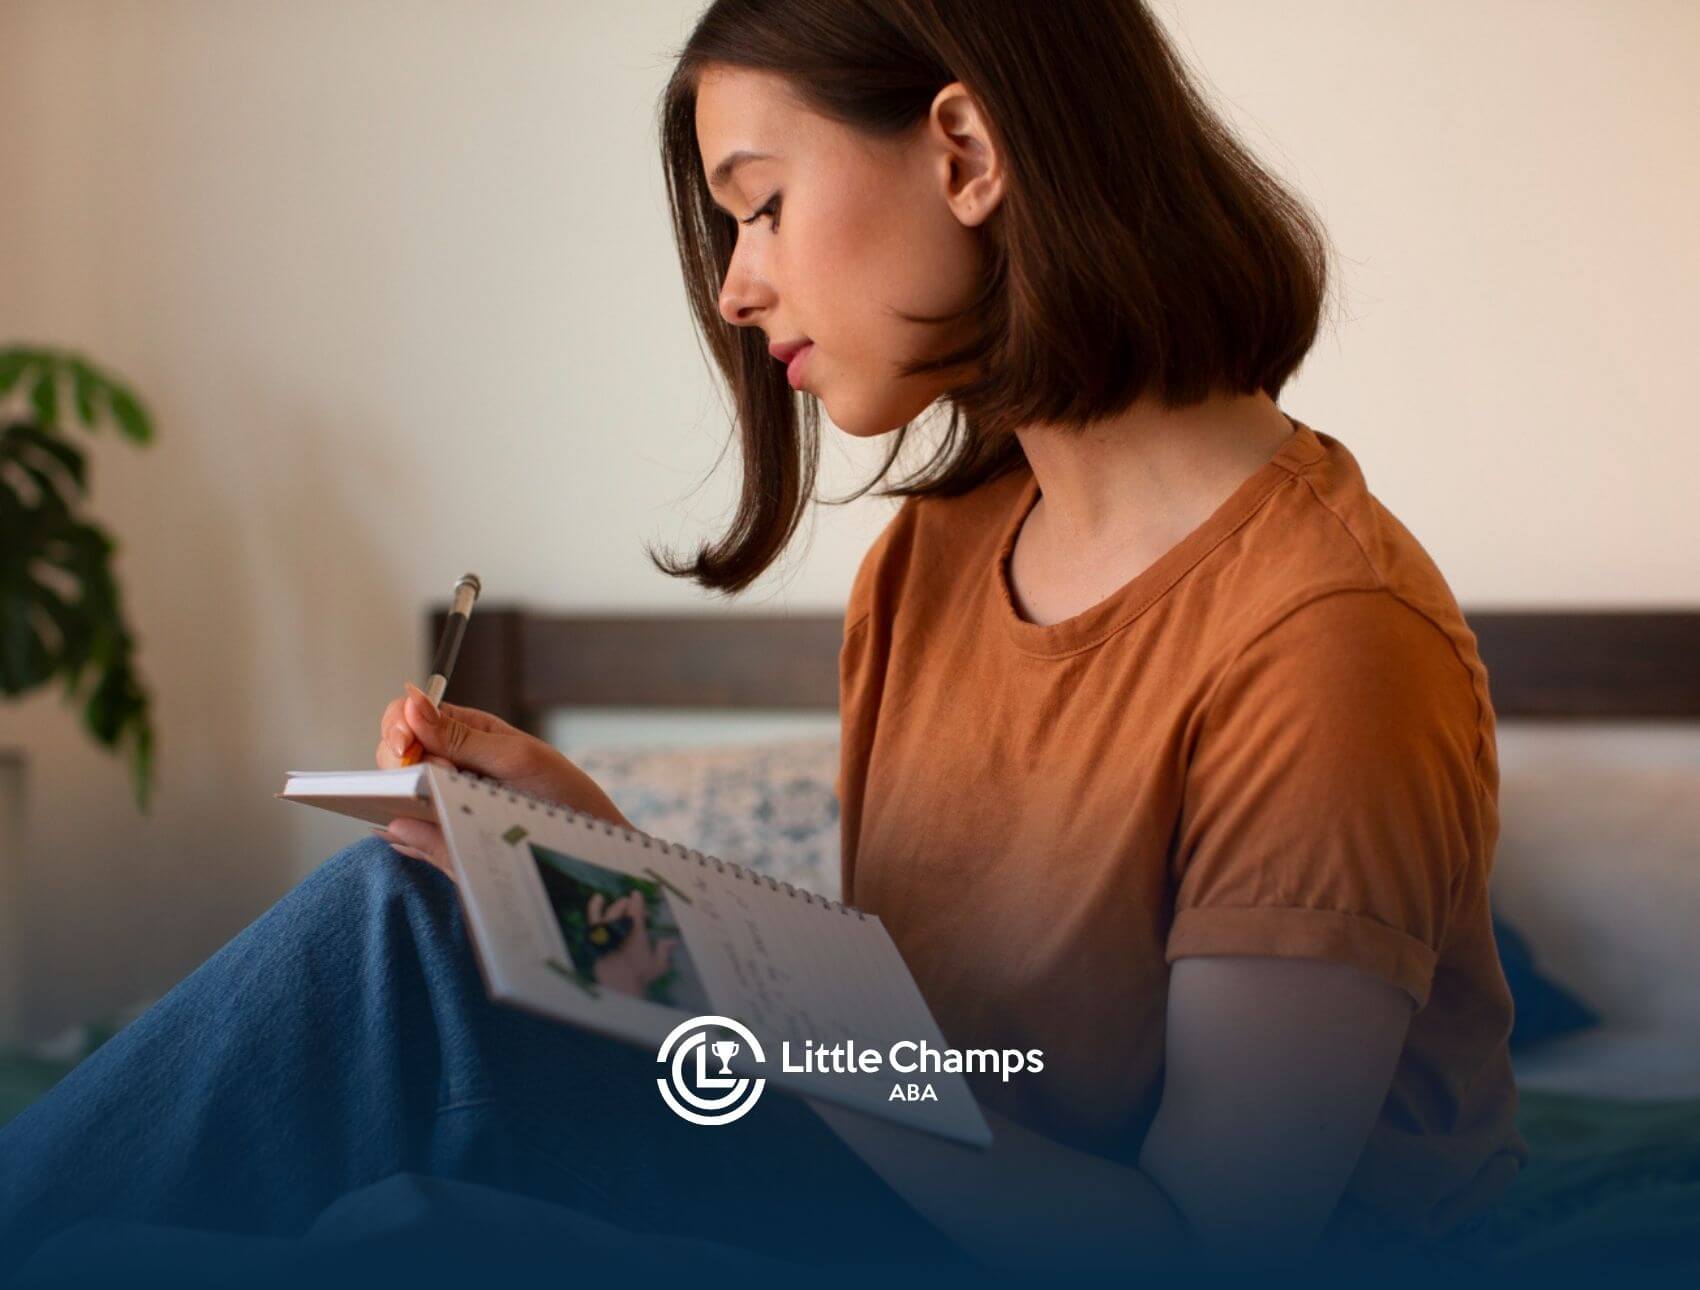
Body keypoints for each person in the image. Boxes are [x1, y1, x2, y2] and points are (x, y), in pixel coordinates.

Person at [0, 0, 1526, 1283]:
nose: (736, 288)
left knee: (401, 1235)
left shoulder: (1329, 640)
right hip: (927, 1211)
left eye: (761, 204)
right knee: (409, 921)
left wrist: (749, 995)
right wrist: (619, 880)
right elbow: (919, 1055)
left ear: (967, 152)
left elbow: (1206, 1248)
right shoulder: (934, 562)